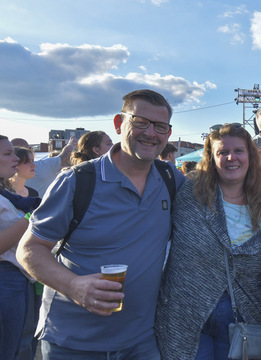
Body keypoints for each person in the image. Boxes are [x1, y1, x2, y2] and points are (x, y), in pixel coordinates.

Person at [16, 89, 185, 359]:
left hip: (142, 342)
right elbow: (29, 249)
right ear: (119, 124)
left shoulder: (171, 180)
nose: (151, 133)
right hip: (73, 343)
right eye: (140, 122)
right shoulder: (77, 181)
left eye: (160, 126)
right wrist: (74, 287)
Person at [155, 123, 261, 359]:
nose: (231, 158)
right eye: (222, 152)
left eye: (239, 151)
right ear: (211, 158)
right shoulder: (187, 194)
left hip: (246, 315)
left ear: (251, 156)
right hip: (187, 313)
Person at [1, 135, 41, 360]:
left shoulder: (5, 192)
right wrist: (30, 218)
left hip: (17, 278)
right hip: (5, 280)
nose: (15, 157)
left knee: (18, 345)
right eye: (7, 154)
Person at [12, 137, 77, 197]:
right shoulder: (42, 166)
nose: (33, 165)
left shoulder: (5, 184)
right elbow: (64, 156)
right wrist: (71, 143)